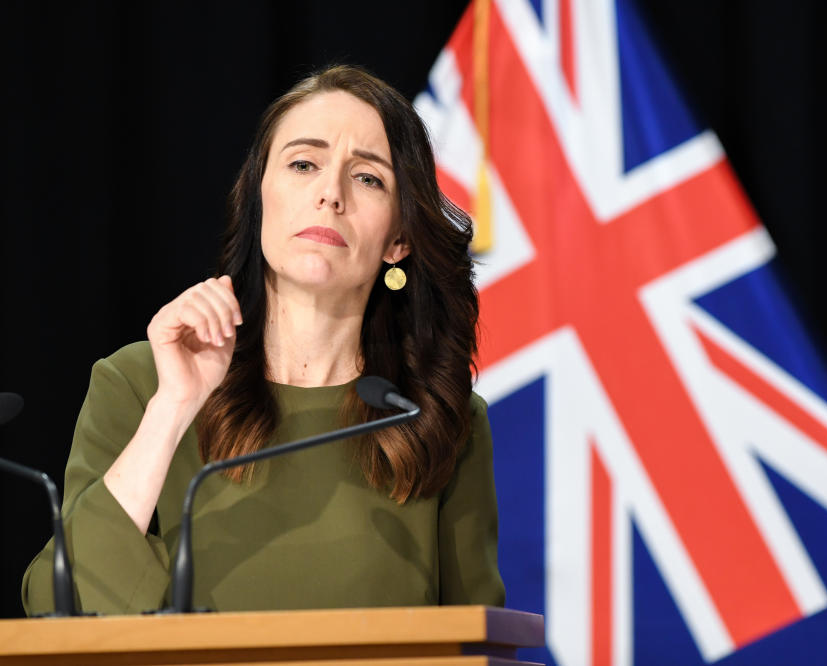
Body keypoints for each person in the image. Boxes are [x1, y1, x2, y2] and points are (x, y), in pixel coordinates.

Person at [22, 65, 505, 615]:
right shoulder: (140, 383)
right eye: (304, 164)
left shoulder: (439, 417)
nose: (330, 194)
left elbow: (477, 639)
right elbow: (57, 605)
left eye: (368, 177)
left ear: (399, 238)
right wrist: (174, 407)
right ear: (259, 198)